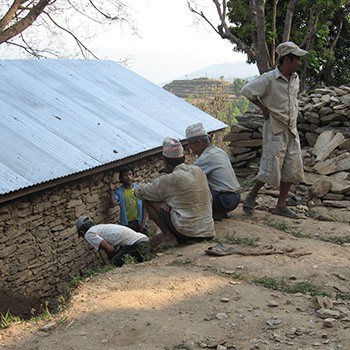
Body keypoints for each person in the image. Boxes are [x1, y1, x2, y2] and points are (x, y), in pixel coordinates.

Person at [240, 41, 308, 219]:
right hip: (275, 128)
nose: (299, 63)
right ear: (287, 59)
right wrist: (263, 108)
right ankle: (252, 196)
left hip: (291, 129)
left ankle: (281, 205)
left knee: (291, 168)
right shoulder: (269, 79)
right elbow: (247, 91)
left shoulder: (295, 78)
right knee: (270, 166)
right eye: (296, 60)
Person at [135, 137, 215, 250]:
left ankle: (169, 236)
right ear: (183, 157)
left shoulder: (168, 179)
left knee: (148, 199)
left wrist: (143, 184)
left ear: (166, 162)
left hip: (187, 232)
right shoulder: (198, 171)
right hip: (207, 230)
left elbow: (141, 192)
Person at [185, 122, 241, 221]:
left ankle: (213, 212)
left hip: (225, 200)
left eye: (191, 147)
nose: (192, 151)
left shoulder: (206, 158)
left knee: (190, 189)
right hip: (236, 197)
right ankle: (218, 212)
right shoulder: (220, 152)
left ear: (198, 143)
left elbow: (186, 177)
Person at [76, 215, 150, 267]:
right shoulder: (100, 228)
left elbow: (110, 249)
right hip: (144, 240)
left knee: (115, 263)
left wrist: (110, 263)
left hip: (135, 244)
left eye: (82, 236)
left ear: (82, 232)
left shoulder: (89, 233)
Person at [109, 166, 146, 232]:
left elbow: (144, 206)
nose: (128, 177)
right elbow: (112, 205)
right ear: (121, 178)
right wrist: (111, 191)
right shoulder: (119, 191)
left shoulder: (138, 189)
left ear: (133, 176)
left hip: (139, 221)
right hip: (126, 223)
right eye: (125, 175)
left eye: (130, 174)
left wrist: (143, 222)